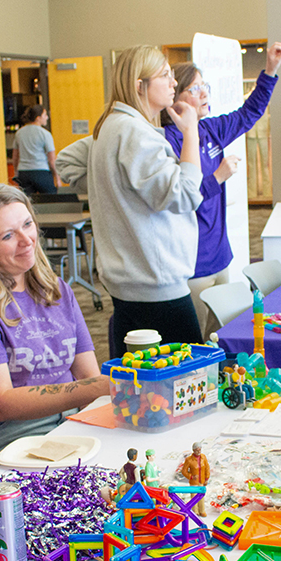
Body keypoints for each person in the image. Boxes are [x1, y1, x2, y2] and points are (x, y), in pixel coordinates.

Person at [0, 182, 109, 475]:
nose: (27, 240)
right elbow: (2, 404)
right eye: (7, 235)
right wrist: (96, 388)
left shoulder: (57, 290)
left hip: (67, 422)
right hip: (1, 436)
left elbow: (88, 376)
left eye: (28, 224)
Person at [164, 42, 281, 333]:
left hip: (220, 256)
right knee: (194, 342)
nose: (204, 93)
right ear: (175, 101)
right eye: (194, 89)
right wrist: (216, 177)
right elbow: (178, 199)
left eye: (204, 85)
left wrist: (271, 70)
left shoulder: (210, 129)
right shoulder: (166, 141)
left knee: (223, 339)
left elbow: (249, 113)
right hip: (192, 264)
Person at [87, 44, 204, 347]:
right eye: (165, 76)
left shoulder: (109, 126)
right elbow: (186, 195)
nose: (174, 83)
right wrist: (191, 132)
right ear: (140, 86)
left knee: (142, 388)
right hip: (156, 286)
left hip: (129, 284)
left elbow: (68, 162)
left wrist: (116, 193)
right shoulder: (135, 133)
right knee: (186, 383)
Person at [12, 105, 59, 196]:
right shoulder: (45, 134)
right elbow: (52, 159)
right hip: (41, 171)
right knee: (50, 199)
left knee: (27, 201)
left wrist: (16, 173)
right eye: (45, 115)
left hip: (24, 172)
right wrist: (57, 177)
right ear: (38, 118)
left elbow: (15, 157)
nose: (47, 117)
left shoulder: (19, 133)